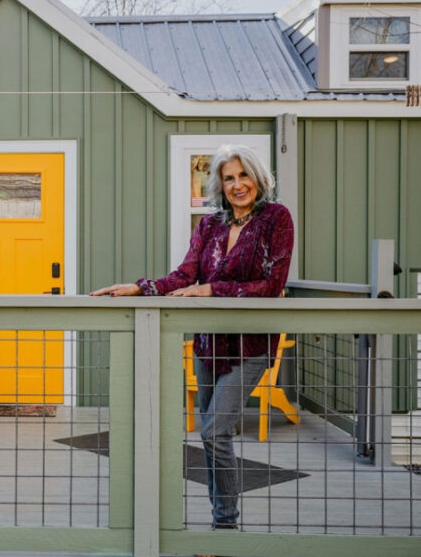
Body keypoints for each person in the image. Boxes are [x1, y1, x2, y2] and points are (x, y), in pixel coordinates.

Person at [90, 144, 293, 530]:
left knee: (215, 431)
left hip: (250, 345)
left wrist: (212, 289)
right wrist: (140, 288)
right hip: (208, 344)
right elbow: (184, 276)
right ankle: (221, 517)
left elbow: (272, 285)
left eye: (243, 175)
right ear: (220, 184)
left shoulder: (276, 218)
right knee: (213, 437)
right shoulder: (209, 225)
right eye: (228, 178)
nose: (237, 185)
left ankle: (225, 526)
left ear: (257, 177)